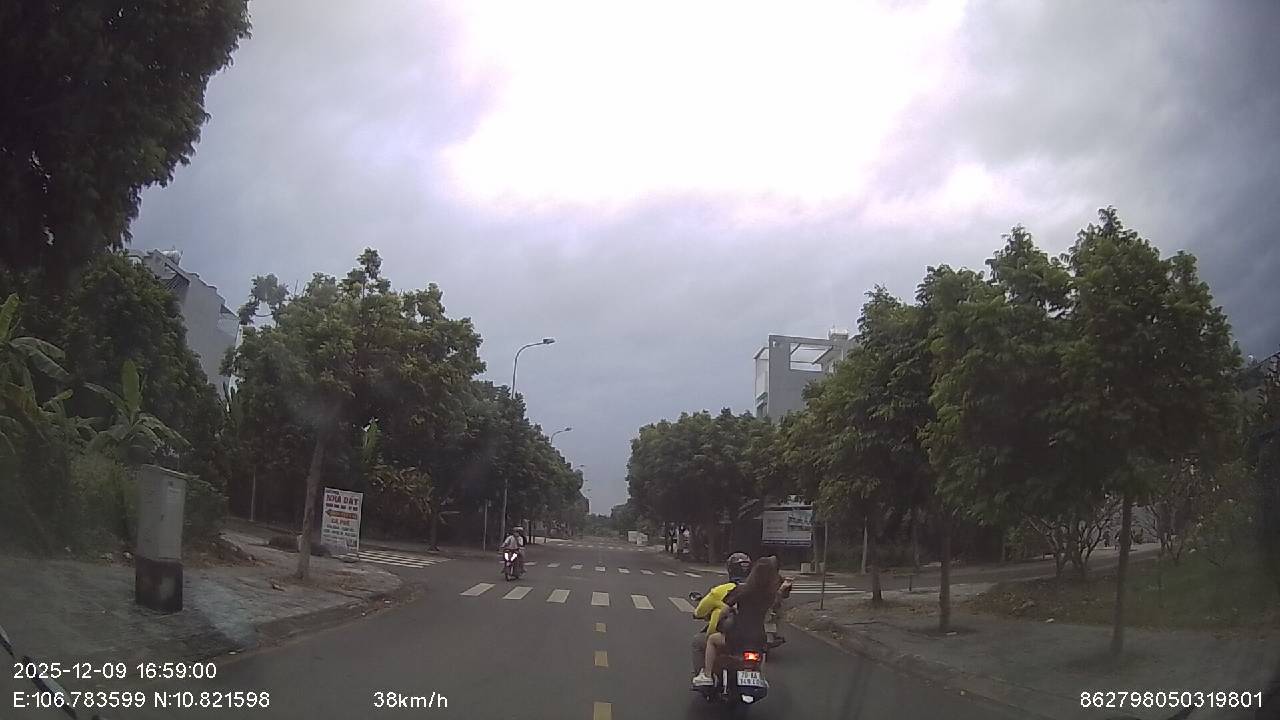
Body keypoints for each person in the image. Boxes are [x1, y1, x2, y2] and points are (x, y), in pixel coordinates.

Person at [692, 556, 782, 687]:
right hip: (758, 636)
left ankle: (707, 675)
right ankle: (760, 677)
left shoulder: (742, 590)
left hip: (738, 635)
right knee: (761, 652)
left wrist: (720, 621)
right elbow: (775, 607)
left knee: (711, 640)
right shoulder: (770, 595)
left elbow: (725, 609)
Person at [690, 553, 752, 683]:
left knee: (698, 641)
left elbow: (700, 611)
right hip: (754, 637)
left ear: (730, 569)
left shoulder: (721, 590)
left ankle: (705, 675)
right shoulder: (756, 590)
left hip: (729, 636)